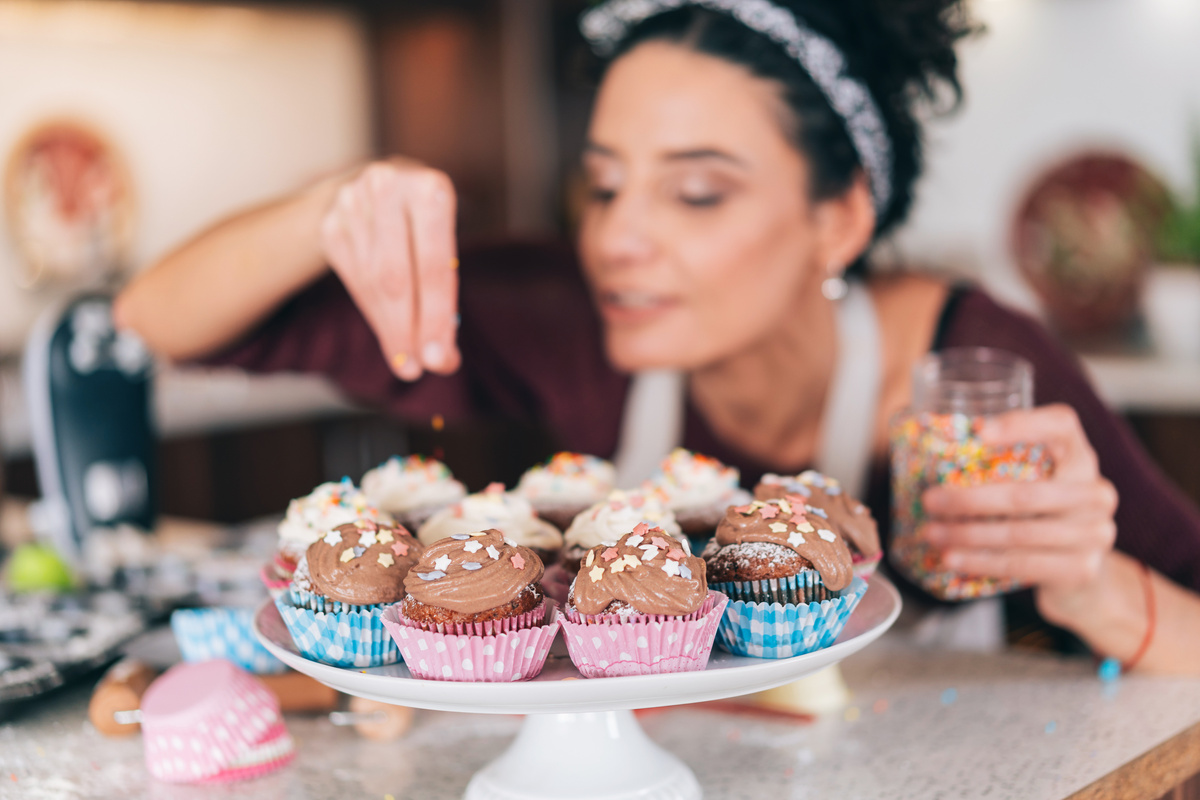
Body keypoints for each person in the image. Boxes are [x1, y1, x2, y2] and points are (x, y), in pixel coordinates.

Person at [115, 0, 1200, 674]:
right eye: (601, 184)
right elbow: (160, 317)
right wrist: (329, 204)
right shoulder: (568, 319)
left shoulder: (974, 380)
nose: (618, 239)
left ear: (843, 217)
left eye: (696, 193)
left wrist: (1091, 580)